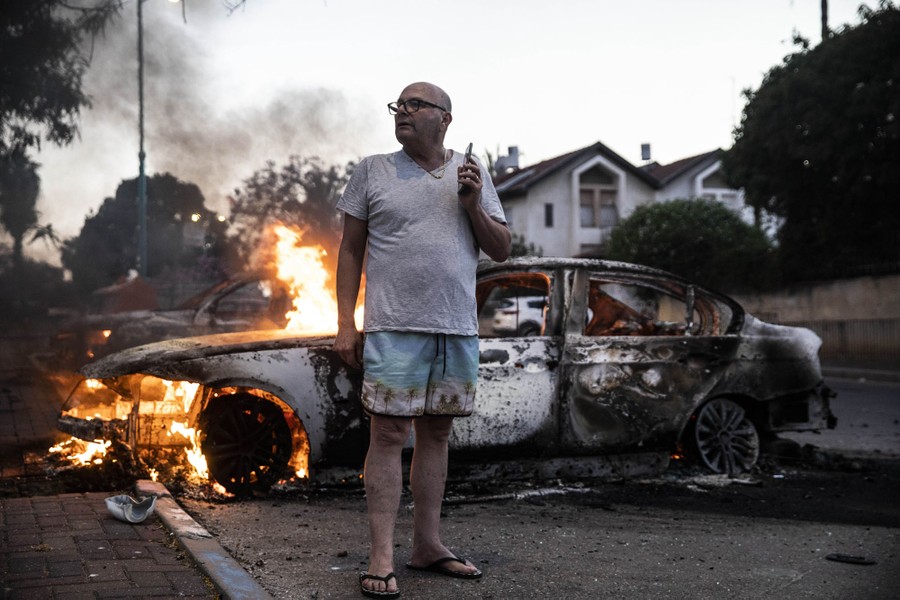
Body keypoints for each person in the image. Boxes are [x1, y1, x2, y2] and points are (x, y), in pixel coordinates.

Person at [333, 81, 511, 599]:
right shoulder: (372, 170)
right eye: (399, 105)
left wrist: (474, 203)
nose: (402, 112)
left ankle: (427, 545)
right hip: (393, 325)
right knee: (388, 435)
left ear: (445, 118)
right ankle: (382, 555)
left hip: (455, 326)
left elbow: (500, 249)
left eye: (415, 105)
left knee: (437, 435)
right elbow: (349, 252)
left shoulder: (472, 173)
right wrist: (346, 322)